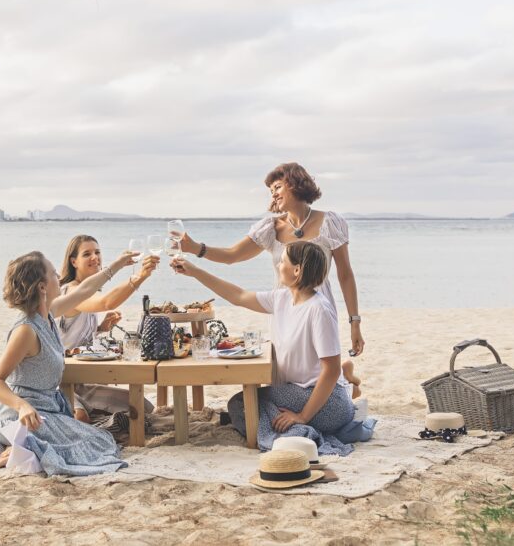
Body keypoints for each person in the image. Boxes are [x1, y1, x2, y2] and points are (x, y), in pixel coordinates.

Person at [171, 240, 358, 455]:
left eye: (283, 260)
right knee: (246, 403)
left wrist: (303, 416)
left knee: (242, 405)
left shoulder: (319, 310)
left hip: (329, 404)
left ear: (297, 270)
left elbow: (332, 369)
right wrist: (195, 272)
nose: (278, 264)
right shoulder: (282, 298)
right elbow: (238, 296)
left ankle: (300, 431)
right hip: (297, 390)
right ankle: (289, 426)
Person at [179, 162, 366, 358]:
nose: (274, 194)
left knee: (323, 362)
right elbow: (231, 255)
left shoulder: (330, 222)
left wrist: (355, 322)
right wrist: (194, 248)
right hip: (284, 305)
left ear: (296, 184)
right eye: (271, 191)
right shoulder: (270, 228)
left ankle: (344, 379)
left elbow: (345, 275)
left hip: (319, 305)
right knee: (288, 365)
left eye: (277, 187)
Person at [0, 249, 135, 474]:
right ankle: (19, 448)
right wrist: (22, 406)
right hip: (24, 418)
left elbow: (86, 289)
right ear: (42, 287)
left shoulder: (49, 313)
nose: (59, 278)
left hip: (50, 410)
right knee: (91, 448)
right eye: (54, 274)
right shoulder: (26, 330)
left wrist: (119, 264)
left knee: (101, 440)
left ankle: (23, 449)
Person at [57, 235, 160, 421]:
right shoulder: (71, 291)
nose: (95, 257)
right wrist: (140, 277)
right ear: (74, 261)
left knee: (144, 407)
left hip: (84, 381)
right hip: (63, 379)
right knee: (80, 417)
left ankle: (92, 411)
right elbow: (107, 302)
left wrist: (101, 328)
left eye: (97, 252)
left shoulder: (89, 291)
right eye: (87, 254)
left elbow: (75, 336)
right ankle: (80, 412)